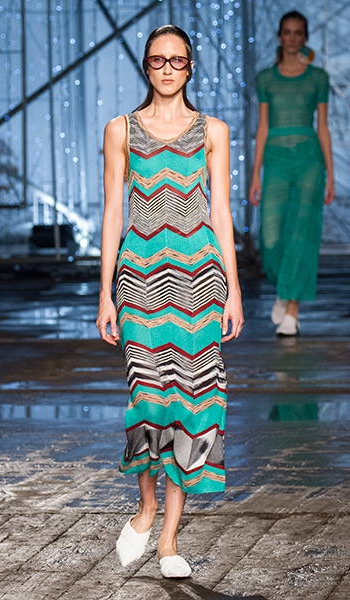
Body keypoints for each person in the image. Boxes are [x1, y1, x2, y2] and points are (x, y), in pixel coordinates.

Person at [96, 24, 244, 578]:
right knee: (148, 396)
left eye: (177, 60)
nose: (167, 69)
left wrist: (233, 288)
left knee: (194, 401)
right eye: (158, 60)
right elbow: (113, 213)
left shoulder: (213, 130)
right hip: (139, 278)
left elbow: (221, 211)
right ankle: (147, 507)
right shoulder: (120, 129)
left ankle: (170, 539)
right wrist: (105, 292)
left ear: (190, 67)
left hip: (199, 278)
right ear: (146, 66)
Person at [249, 11, 335, 336]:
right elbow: (262, 127)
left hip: (310, 160)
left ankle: (293, 310)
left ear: (305, 37)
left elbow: (323, 127)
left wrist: (331, 173)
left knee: (301, 231)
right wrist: (255, 174)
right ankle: (284, 289)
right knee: (271, 237)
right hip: (275, 158)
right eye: (287, 32)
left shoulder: (318, 78)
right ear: (280, 36)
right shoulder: (266, 79)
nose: (293, 37)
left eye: (298, 32)